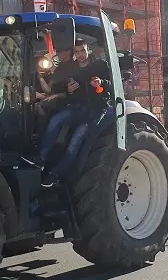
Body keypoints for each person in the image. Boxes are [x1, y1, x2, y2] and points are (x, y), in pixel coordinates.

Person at [37, 38, 113, 186]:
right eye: (77, 52)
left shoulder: (99, 65)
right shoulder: (71, 69)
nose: (80, 54)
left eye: (82, 51)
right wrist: (69, 90)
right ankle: (41, 159)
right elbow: (64, 89)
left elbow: (109, 85)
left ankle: (56, 174)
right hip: (78, 106)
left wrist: (101, 83)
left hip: (96, 109)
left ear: (87, 50)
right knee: (55, 120)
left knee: (75, 141)